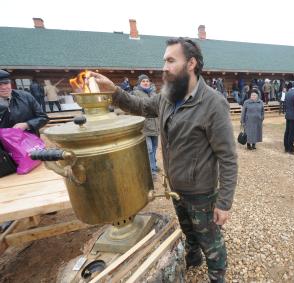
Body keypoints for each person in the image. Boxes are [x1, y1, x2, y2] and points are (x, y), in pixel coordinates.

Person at [88, 37, 238, 282]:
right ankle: (193, 257)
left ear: (191, 63)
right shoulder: (168, 95)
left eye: (170, 60)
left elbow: (228, 157)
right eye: (164, 61)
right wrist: (113, 92)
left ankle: (217, 274)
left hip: (201, 192)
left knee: (211, 240)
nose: (164, 67)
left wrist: (224, 203)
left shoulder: (213, 104)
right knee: (189, 233)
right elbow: (141, 105)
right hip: (177, 188)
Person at [0, 70, 48, 136]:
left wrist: (27, 124)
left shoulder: (26, 96)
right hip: (3, 145)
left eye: (6, 83)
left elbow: (43, 118)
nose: (4, 87)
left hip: (29, 143)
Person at [131, 74, 160, 178]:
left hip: (155, 124)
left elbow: (157, 106)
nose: (146, 83)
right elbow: (137, 107)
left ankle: (154, 165)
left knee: (155, 147)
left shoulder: (153, 92)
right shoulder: (136, 93)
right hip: (144, 125)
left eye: (147, 81)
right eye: (143, 81)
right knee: (149, 149)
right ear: (139, 83)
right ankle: (151, 171)